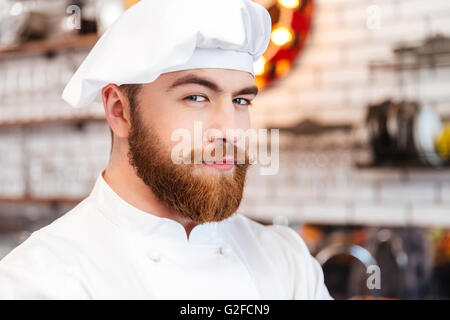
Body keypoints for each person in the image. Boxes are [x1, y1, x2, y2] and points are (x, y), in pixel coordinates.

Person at [0, 0, 332, 299]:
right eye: (196, 97)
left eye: (240, 100)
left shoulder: (287, 263)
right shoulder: (42, 280)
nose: (230, 130)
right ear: (119, 110)